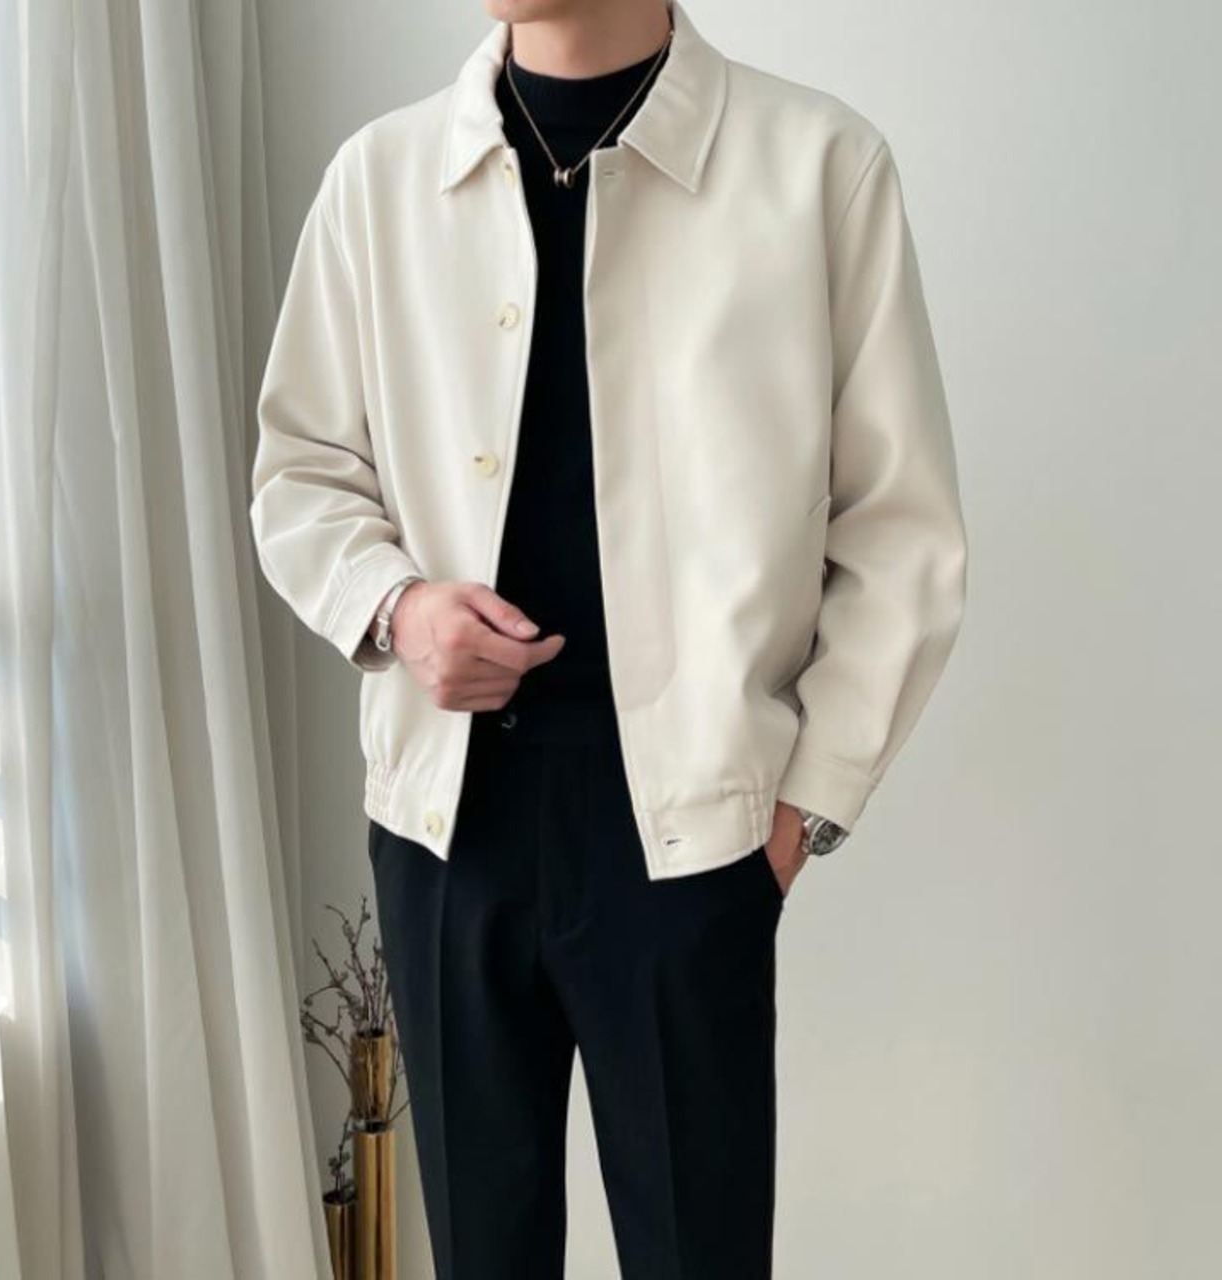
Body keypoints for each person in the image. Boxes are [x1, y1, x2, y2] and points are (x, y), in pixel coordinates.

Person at [250, 1, 968, 1275]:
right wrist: (397, 607)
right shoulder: (380, 179)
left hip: (688, 832)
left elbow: (900, 534)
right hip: (446, 829)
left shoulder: (816, 168)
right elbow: (299, 470)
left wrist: (802, 809)